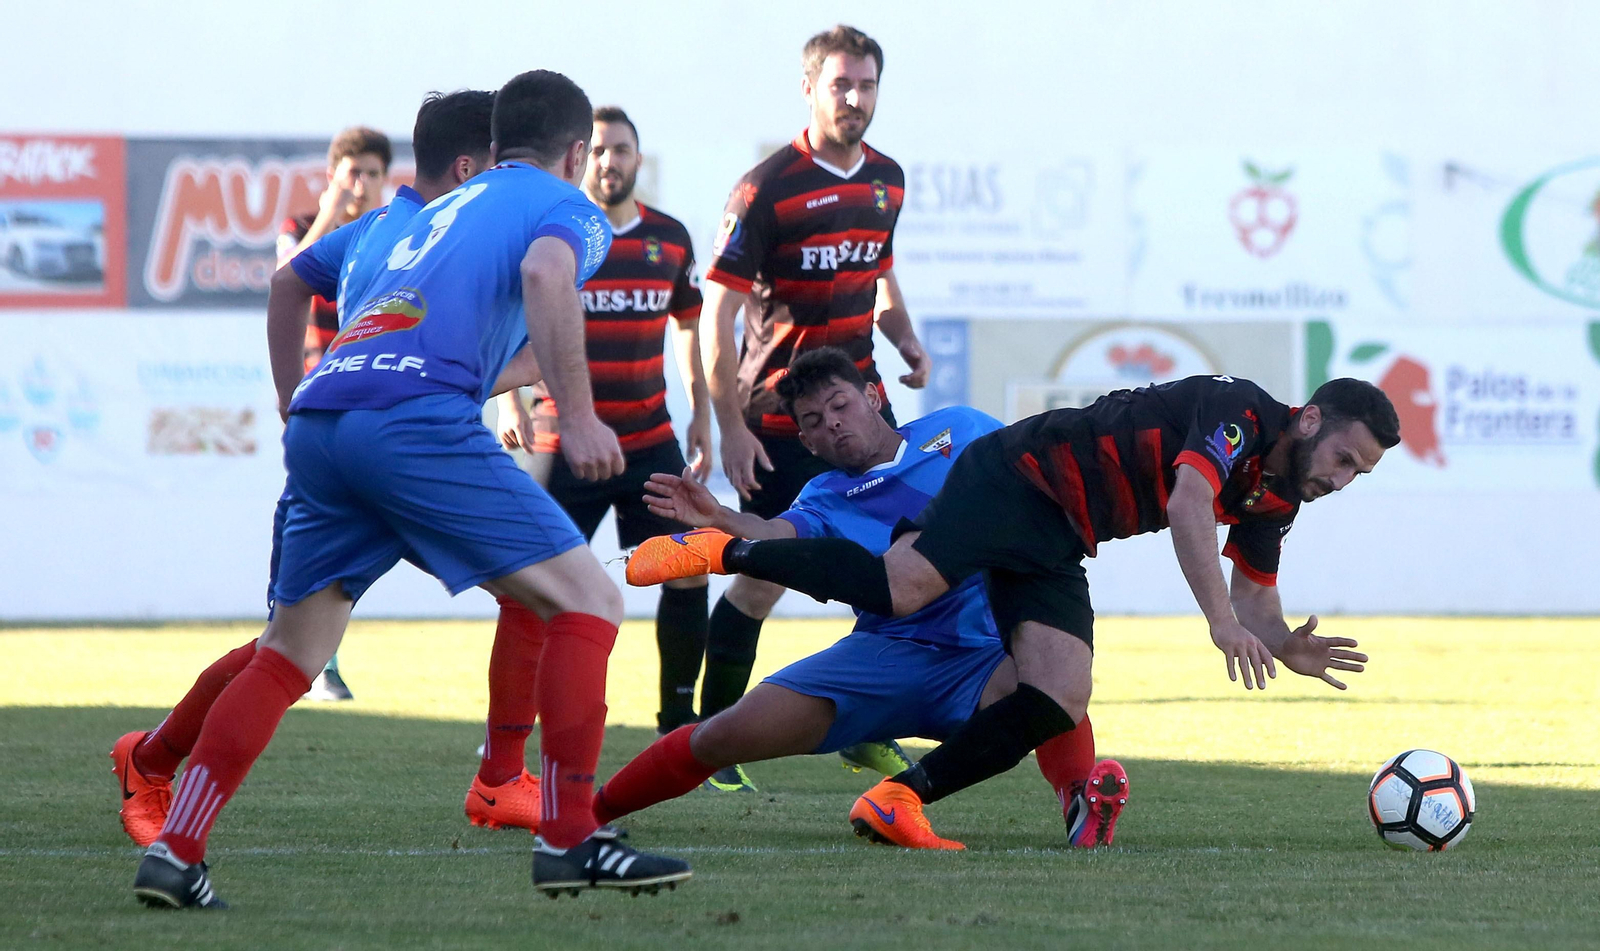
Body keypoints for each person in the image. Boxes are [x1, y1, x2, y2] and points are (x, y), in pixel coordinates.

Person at [128, 70, 689, 910]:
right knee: (590, 600)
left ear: (492, 149)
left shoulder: (425, 216)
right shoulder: (564, 206)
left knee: (288, 652)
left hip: (326, 419)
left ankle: (176, 850)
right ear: (576, 154)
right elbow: (547, 274)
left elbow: (307, 289)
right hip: (414, 422)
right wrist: (577, 417)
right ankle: (570, 835)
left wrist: (292, 397)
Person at [628, 373, 1393, 846]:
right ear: (1309, 419)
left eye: (1358, 473)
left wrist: (1281, 640)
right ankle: (723, 552)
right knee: (905, 585)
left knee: (1059, 693)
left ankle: (900, 797)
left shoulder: (1279, 493)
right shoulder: (1240, 411)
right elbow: (1189, 499)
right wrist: (1219, 624)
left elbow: (1255, 593)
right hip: (1021, 479)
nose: (1342, 479)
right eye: (1344, 458)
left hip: (1057, 533)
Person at [113, 88, 540, 852]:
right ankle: (150, 760)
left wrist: (292, 396)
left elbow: (288, 284)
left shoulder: (379, 230)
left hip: (367, 445)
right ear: (470, 167)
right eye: (502, 167)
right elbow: (516, 339)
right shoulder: (439, 234)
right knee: (290, 652)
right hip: (396, 450)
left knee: (289, 651)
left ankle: (154, 771)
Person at [592, 348, 1126, 850]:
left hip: (983, 658)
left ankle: (1082, 804)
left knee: (1053, 682)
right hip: (880, 659)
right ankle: (586, 813)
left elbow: (1036, 476)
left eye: (839, 405)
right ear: (807, 442)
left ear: (872, 396)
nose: (832, 423)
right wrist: (722, 519)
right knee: (719, 737)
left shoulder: (961, 429)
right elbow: (778, 535)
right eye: (813, 421)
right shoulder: (824, 496)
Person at [695, 24, 931, 790]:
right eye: (841, 84)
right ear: (809, 89)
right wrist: (730, 424)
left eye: (866, 84)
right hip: (779, 420)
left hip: (864, 410)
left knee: (899, 566)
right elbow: (716, 315)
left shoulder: (888, 179)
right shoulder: (765, 188)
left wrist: (905, 338)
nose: (855, 98)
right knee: (765, 575)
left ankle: (867, 729)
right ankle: (713, 739)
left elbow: (880, 276)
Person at [496, 105, 713, 739]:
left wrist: (701, 413)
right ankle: (509, 733)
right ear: (579, 157)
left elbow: (689, 327)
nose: (608, 161)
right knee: (530, 586)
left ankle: (678, 725)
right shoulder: (555, 234)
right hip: (558, 439)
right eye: (596, 150)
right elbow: (510, 319)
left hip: (647, 442)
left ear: (638, 159)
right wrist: (508, 402)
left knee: (690, 569)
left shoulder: (669, 237)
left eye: (619, 150)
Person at [275, 124, 394, 701]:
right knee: (310, 528)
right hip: (318, 401)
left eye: (372, 174)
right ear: (332, 177)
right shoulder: (303, 227)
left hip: (373, 402)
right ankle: (310, 656)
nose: (362, 184)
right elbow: (289, 276)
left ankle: (313, 653)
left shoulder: (396, 234)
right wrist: (329, 212)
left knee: (355, 532)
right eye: (353, 173)